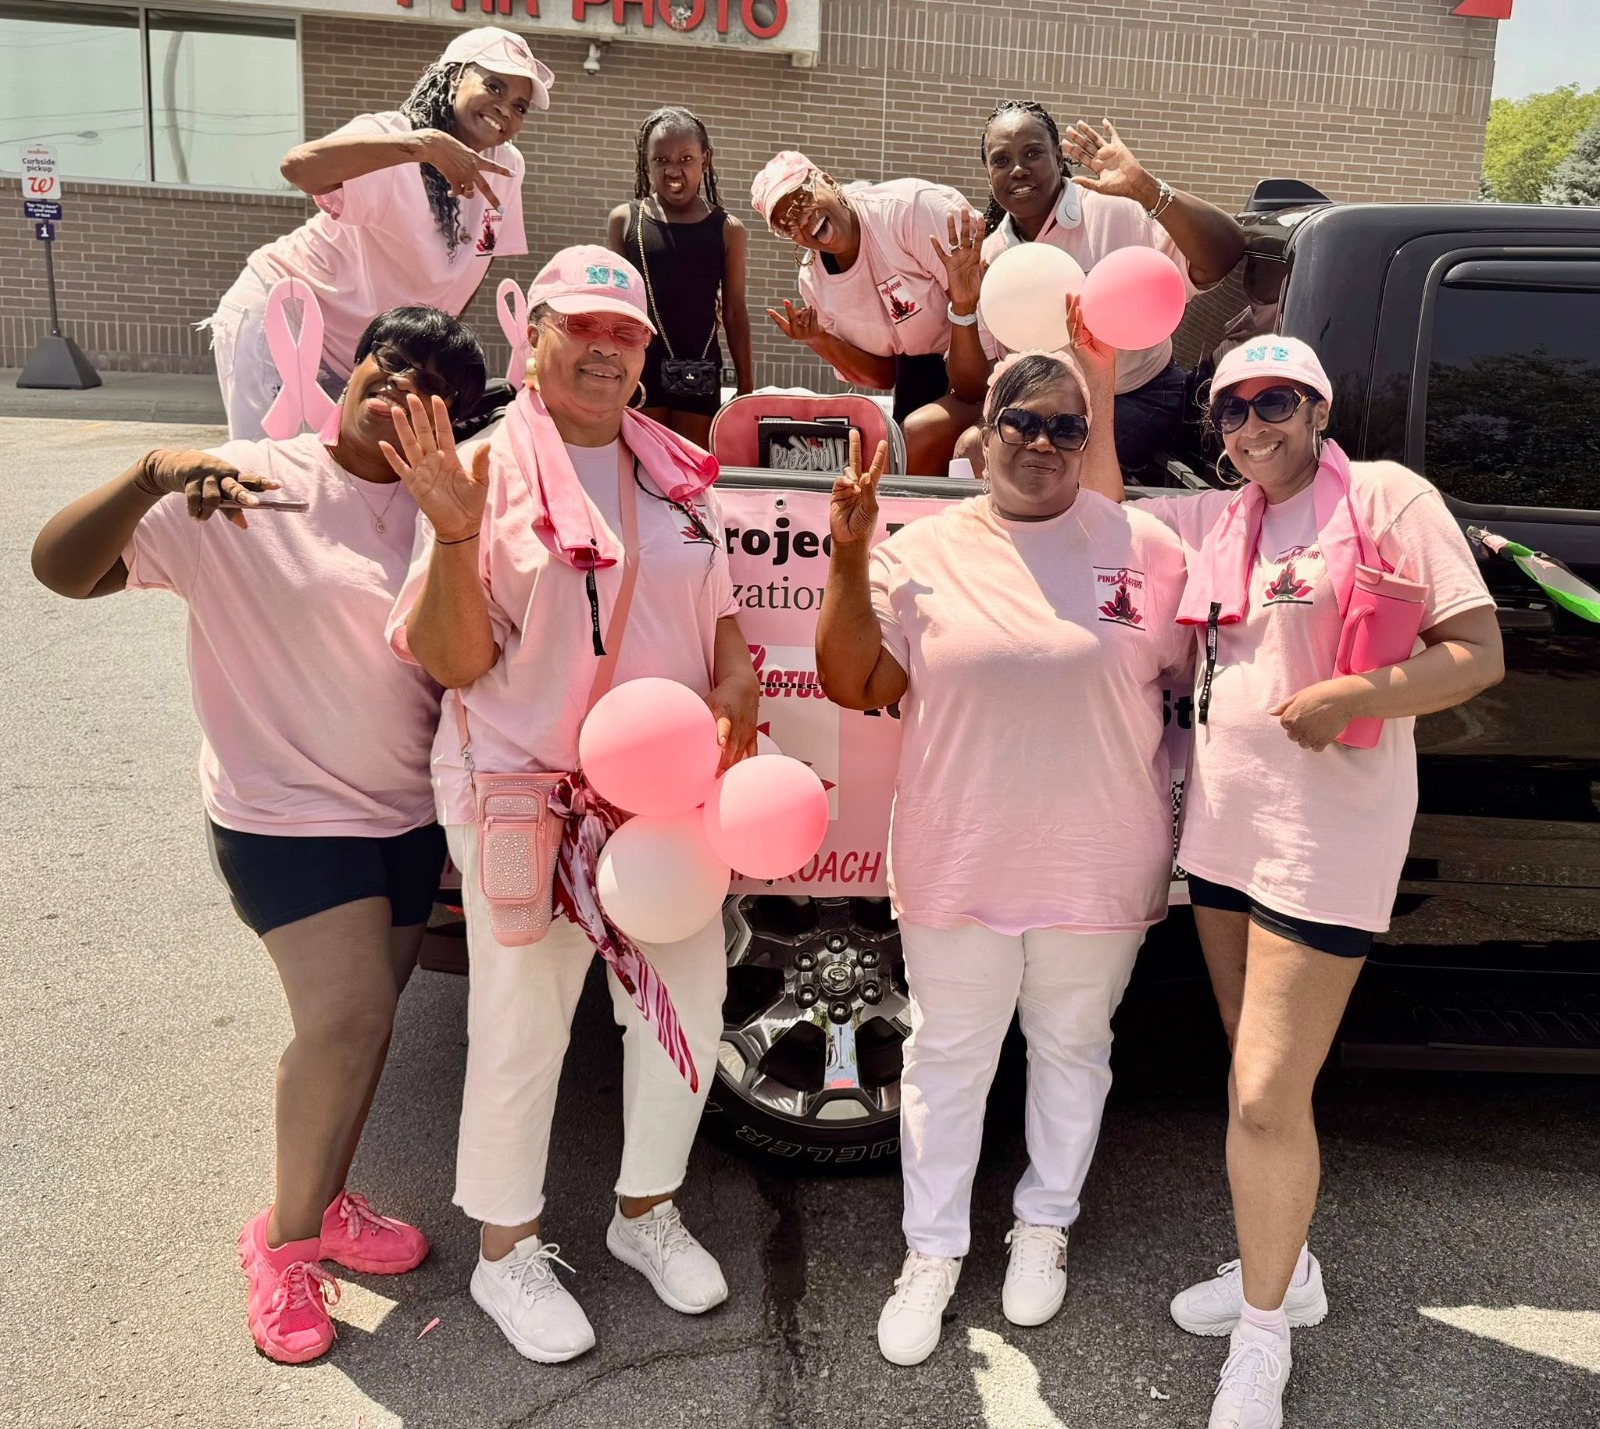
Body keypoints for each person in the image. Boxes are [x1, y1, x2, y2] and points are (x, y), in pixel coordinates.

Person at [30, 307, 491, 1365]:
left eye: (431, 388)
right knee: (346, 1019)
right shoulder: (244, 483)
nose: (399, 389)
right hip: (283, 816)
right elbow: (62, 570)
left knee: (367, 1029)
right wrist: (147, 475)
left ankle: (325, 1202)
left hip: (403, 816)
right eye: (388, 363)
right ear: (351, 369)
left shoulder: (448, 506)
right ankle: (282, 1246)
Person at [1108, 337, 1502, 1428]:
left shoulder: (1383, 497)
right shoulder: (1222, 517)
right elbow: (1100, 502)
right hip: (1224, 836)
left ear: (1318, 407)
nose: (1250, 427)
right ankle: (1289, 1270)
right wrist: (1093, 368)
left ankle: (1263, 1332)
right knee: (1256, 1075)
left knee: (1262, 1096)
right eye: (1231, 411)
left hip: (1324, 842)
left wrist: (1353, 695)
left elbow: (1476, 652)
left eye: (1273, 402)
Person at [384, 246, 760, 1365]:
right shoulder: (483, 470)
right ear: (534, 335)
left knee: (684, 1007)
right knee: (523, 1021)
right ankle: (505, 1249)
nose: (606, 350)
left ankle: (645, 1211)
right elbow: (454, 663)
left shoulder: (678, 472)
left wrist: (736, 680)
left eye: (625, 332)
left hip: (664, 799)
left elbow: (719, 613)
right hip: (526, 792)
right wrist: (456, 536)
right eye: (581, 328)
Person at [815, 318, 1192, 1367]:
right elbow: (853, 680)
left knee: (1074, 1049)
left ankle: (1043, 1222)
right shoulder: (920, 551)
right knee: (948, 1058)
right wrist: (847, 555)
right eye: (1022, 421)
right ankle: (932, 1249)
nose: (1042, 442)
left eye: (1067, 427)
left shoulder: (1149, 550)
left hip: (1097, 860)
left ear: (1088, 439)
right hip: (959, 854)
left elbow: (1194, 682)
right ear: (983, 432)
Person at [206, 26, 548, 440]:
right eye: (493, 87)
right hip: (287, 316)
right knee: (269, 461)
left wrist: (430, 348)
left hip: (368, 351)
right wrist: (421, 147)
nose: (505, 110)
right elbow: (297, 167)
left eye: (519, 106)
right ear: (455, 76)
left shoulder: (506, 165)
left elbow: (477, 262)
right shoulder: (390, 134)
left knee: (346, 466)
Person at [933, 101, 1245, 477]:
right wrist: (963, 305)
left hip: (1138, 393)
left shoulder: (1115, 210)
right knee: (972, 449)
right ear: (988, 174)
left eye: (1032, 153)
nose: (1017, 169)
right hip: (1051, 407)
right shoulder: (992, 256)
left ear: (1057, 158)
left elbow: (1224, 254)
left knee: (1062, 461)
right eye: (1001, 160)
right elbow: (971, 387)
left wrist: (1145, 189)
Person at [751, 151, 981, 473]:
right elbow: (884, 376)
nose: (802, 222)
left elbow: (980, 299)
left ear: (828, 180)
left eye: (801, 200)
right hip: (917, 372)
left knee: (920, 435)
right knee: (893, 456)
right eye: (786, 225)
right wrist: (818, 340)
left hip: (982, 351)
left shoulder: (908, 210)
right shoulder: (813, 282)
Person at [606, 105, 754, 448]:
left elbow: (735, 312)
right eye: (661, 160)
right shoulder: (625, 221)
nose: (674, 170)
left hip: (699, 369)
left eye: (686, 159)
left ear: (705, 159)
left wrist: (746, 385)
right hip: (640, 368)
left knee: (689, 468)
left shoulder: (728, 229)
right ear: (646, 162)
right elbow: (617, 306)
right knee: (640, 465)